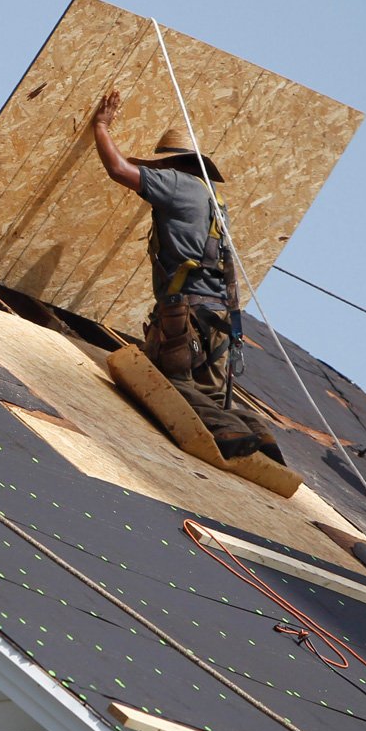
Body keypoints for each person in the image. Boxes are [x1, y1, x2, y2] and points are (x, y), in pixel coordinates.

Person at [91, 90, 282, 464]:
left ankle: (229, 433)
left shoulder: (177, 184)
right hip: (220, 320)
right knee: (210, 395)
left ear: (175, 164)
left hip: (186, 315)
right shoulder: (215, 202)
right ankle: (259, 434)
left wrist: (101, 127)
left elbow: (118, 170)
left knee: (167, 384)